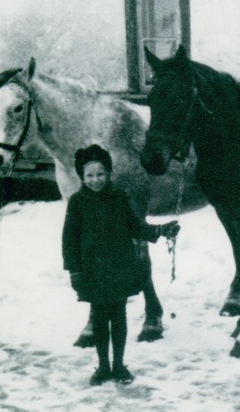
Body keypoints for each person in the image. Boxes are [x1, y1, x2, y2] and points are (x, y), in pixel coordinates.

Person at [62, 145, 180, 386]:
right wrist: (74, 271)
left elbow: (135, 226)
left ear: (108, 174)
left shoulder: (119, 197)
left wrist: (160, 229)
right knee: (99, 318)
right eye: (90, 176)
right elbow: (69, 240)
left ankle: (118, 365)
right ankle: (103, 366)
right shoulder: (77, 203)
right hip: (92, 271)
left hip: (120, 268)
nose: (96, 180)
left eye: (100, 174)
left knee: (118, 317)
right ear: (82, 178)